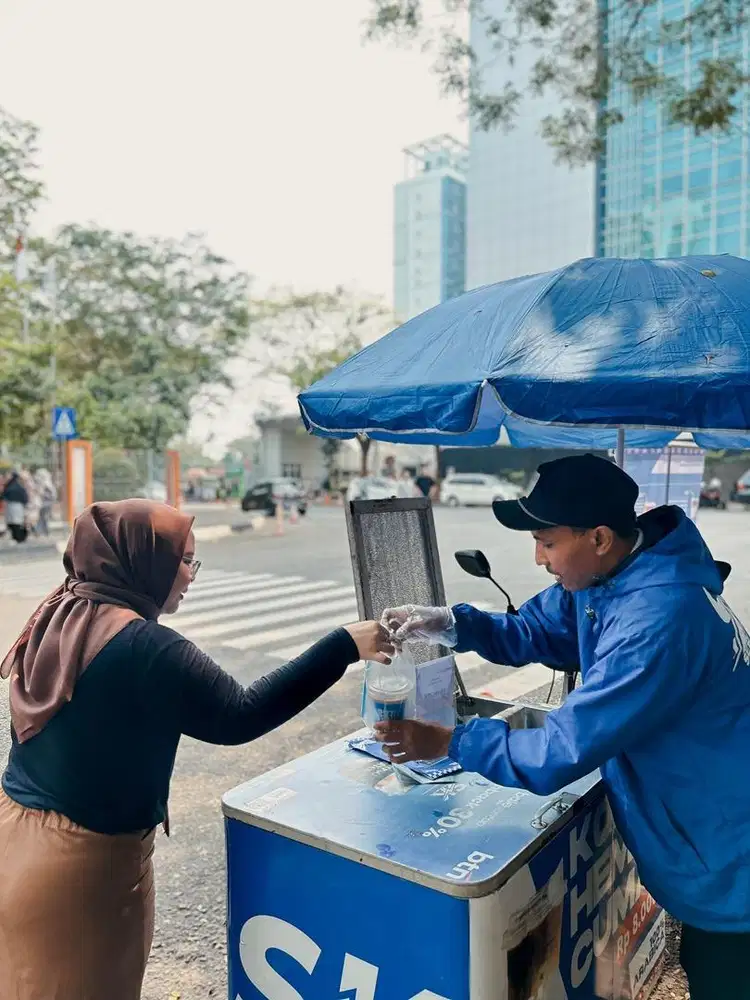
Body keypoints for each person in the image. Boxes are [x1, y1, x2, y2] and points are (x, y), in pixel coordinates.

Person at [377, 454, 750, 999]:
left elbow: (559, 751)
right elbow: (538, 628)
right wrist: (457, 624)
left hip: (727, 845)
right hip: (705, 820)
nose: (538, 558)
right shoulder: (620, 572)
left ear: (598, 537)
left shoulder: (660, 619)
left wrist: (450, 739)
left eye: (547, 543)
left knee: (724, 973)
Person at [0, 499, 392, 1000]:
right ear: (141, 559)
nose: (190, 575)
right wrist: (343, 645)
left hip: (15, 840)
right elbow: (239, 713)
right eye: (183, 560)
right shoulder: (145, 647)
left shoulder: (61, 612)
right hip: (81, 869)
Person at [1, 470, 29, 543]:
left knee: (13, 522)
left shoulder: (9, 485)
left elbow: (3, 495)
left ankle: (17, 537)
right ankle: (18, 537)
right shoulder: (19, 486)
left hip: (11, 506)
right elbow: (25, 497)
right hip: (18, 506)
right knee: (16, 522)